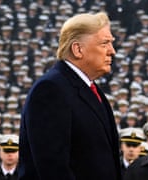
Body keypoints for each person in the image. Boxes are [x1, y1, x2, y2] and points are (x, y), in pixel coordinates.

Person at [19, 12, 121, 180]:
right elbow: (53, 168)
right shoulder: (51, 90)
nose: (112, 51)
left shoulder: (90, 89)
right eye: (105, 43)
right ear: (77, 49)